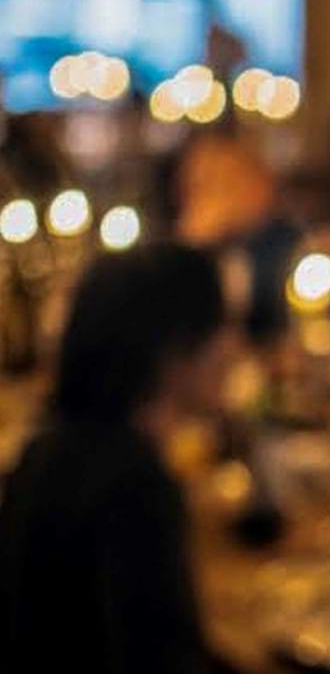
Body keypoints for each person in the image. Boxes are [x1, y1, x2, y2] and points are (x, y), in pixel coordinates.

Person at [0, 244, 230, 673]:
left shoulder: (46, 451)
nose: (229, 348)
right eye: (219, 327)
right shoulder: (134, 487)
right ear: (174, 348)